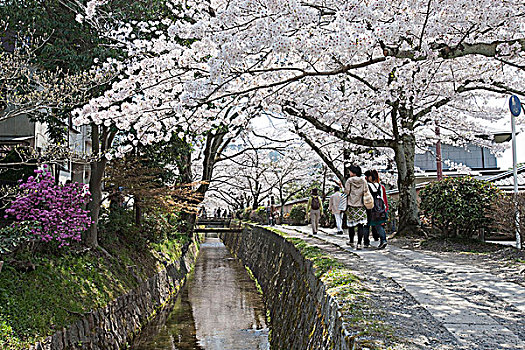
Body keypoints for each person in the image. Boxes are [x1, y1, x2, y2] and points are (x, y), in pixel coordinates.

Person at [344, 165, 369, 249]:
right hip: (361, 205)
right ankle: (359, 243)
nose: (349, 173)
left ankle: (351, 241)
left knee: (351, 224)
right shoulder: (363, 180)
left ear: (353, 172)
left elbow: (346, 192)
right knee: (360, 225)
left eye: (350, 171)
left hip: (351, 205)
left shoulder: (349, 181)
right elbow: (366, 191)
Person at [364, 169, 389, 249]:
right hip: (379, 208)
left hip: (370, 208)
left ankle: (366, 242)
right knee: (379, 225)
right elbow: (382, 198)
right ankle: (383, 240)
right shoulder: (380, 186)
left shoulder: (367, 186)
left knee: (366, 225)